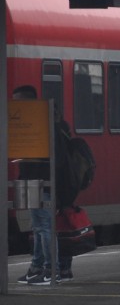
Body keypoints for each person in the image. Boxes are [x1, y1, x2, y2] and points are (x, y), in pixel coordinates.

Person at [12, 86, 77, 284]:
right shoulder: (43, 125)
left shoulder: (46, 126)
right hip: (33, 181)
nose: (16, 106)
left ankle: (51, 269)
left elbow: (56, 160)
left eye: (19, 101)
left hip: (43, 183)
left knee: (45, 227)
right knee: (39, 227)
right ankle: (37, 267)